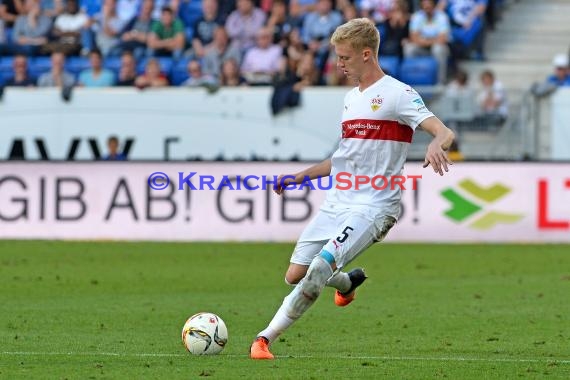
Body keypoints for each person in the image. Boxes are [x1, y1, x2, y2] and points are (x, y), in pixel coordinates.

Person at [249, 17, 455, 360]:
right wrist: (299, 177)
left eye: (344, 58)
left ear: (366, 55)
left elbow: (443, 130)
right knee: (294, 274)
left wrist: (438, 143)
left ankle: (263, 339)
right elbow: (343, 158)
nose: (338, 64)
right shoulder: (350, 99)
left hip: (375, 206)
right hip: (338, 201)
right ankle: (347, 283)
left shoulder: (398, 94)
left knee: (318, 268)